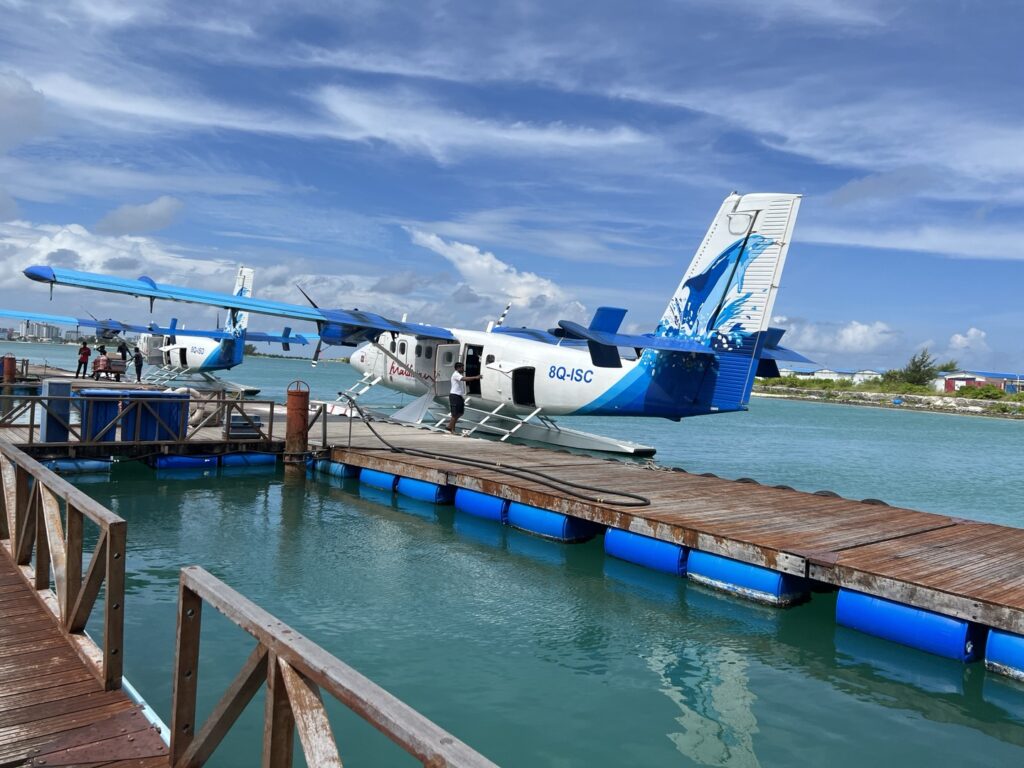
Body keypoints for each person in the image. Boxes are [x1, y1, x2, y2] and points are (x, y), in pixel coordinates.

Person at [447, 361, 482, 434]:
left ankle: (450, 426)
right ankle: (452, 429)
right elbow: (464, 379)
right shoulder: (456, 375)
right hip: (454, 395)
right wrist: (476, 377)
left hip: (459, 396)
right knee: (455, 414)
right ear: (458, 368)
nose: (463, 369)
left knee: (460, 412)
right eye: (462, 368)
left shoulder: (458, 374)